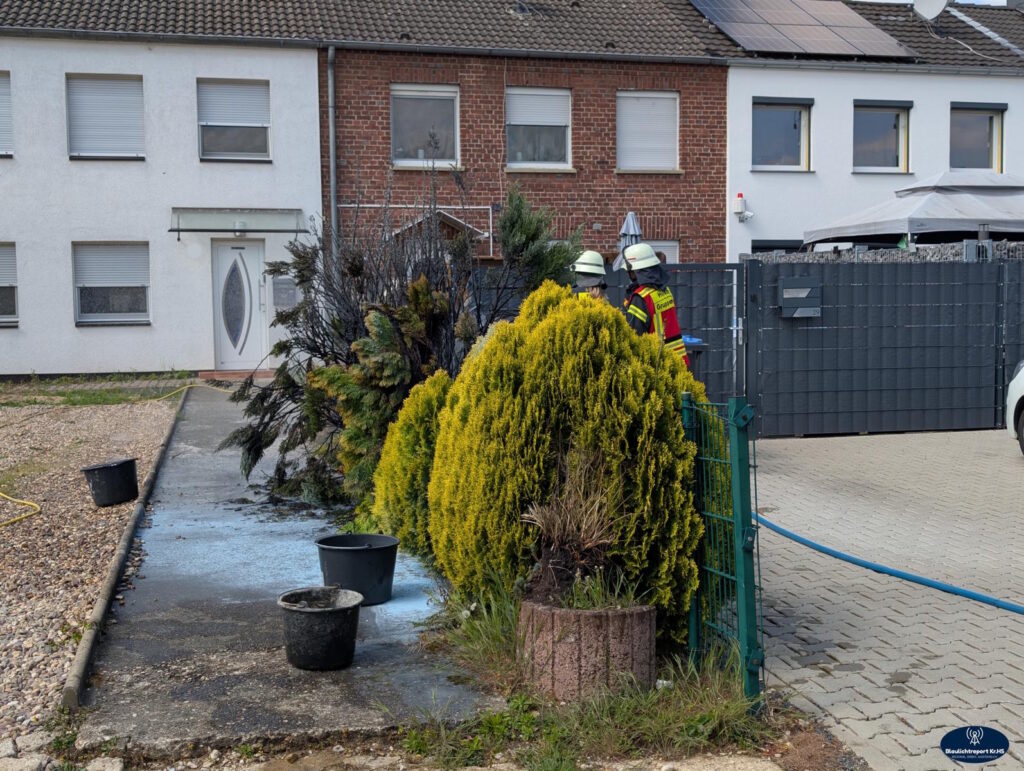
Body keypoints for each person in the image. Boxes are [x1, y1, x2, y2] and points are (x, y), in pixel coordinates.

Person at [621, 242, 689, 366]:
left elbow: (633, 337)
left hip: (657, 363)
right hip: (677, 360)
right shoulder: (664, 290)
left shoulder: (640, 298)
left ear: (635, 271)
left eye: (629, 271)